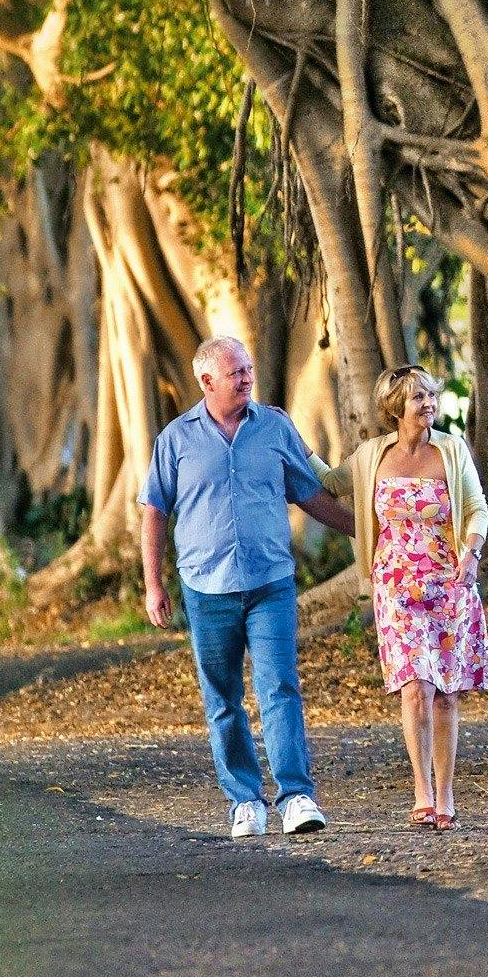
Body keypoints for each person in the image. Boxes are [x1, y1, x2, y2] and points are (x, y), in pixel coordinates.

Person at [140, 336, 356, 840]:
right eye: (235, 372)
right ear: (206, 381)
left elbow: (311, 495)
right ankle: (244, 801)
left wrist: (368, 532)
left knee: (279, 686)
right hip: (206, 588)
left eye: (249, 369)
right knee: (222, 697)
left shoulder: (274, 427)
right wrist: (153, 585)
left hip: (270, 583)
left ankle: (296, 796)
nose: (246, 379)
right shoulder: (175, 440)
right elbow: (154, 512)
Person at [322, 365, 488, 830]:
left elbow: (477, 507)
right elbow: (331, 482)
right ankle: (422, 790)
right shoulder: (372, 456)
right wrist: (290, 442)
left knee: (447, 695)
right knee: (415, 687)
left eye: (431, 395)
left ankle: (447, 794)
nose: (429, 404)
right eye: (419, 397)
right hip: (396, 586)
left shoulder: (451, 450)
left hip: (449, 583)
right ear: (396, 406)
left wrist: (472, 552)